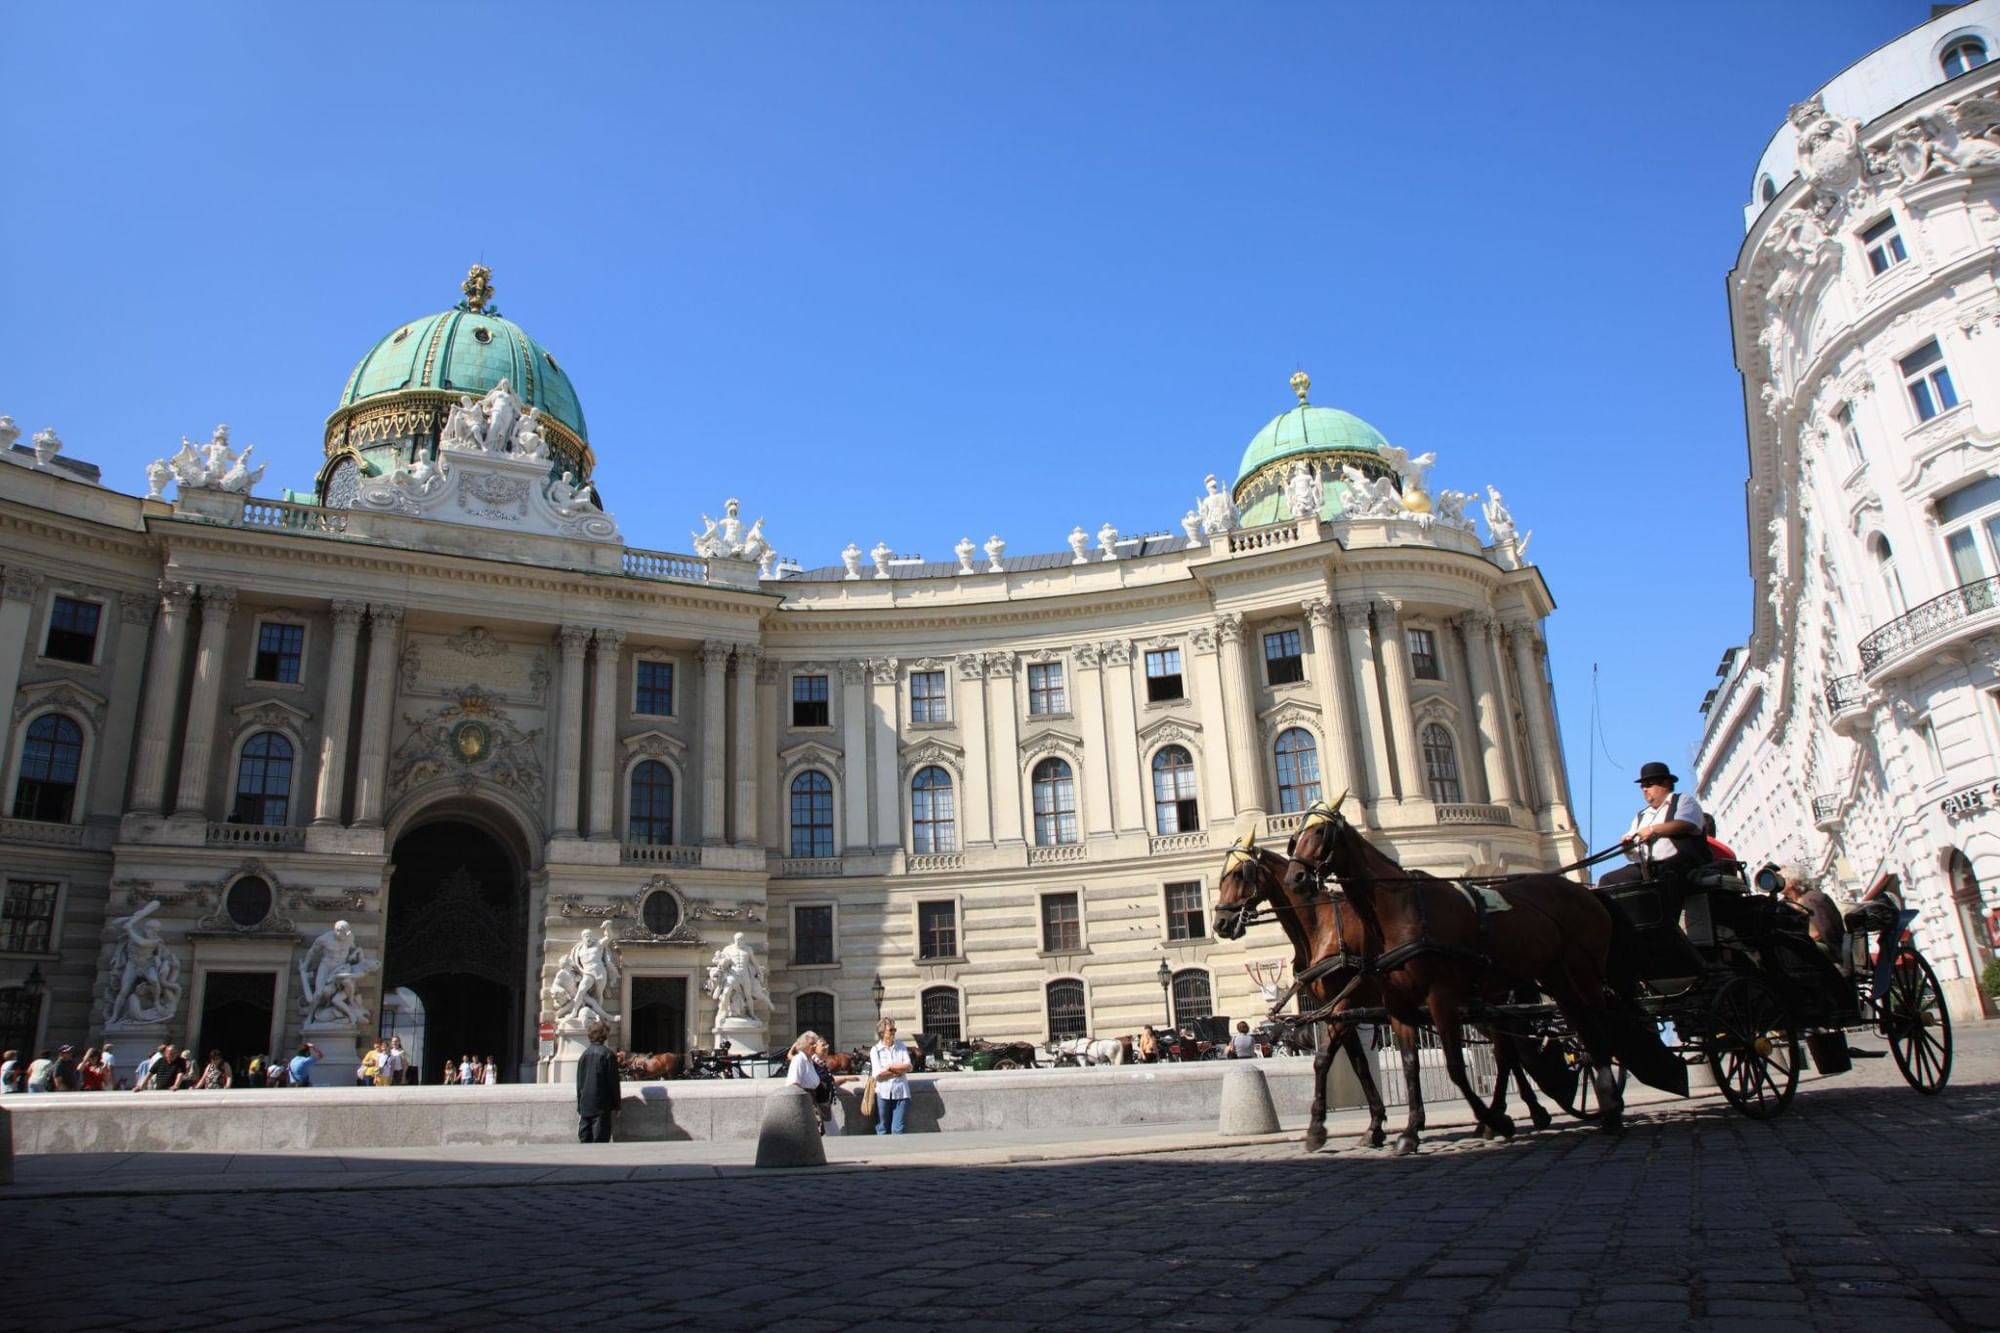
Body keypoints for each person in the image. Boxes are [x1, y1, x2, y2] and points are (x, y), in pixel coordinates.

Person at [1598, 762, 1709, 891]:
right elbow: (1635, 852)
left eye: (1649, 785)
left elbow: (1686, 824)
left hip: (1683, 864)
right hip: (1648, 867)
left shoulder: (1683, 800)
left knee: (1669, 874)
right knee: (1608, 880)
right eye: (1642, 786)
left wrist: (1653, 830)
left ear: (1665, 784)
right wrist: (1628, 847)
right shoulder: (1642, 815)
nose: (1644, 789)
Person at [1779, 863, 1845, 959]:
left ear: (1792, 881)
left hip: (1825, 951)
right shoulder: (1783, 905)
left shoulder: (1813, 898)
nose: (1777, 882)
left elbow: (1826, 931)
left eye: (1781, 878)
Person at [574, 1020, 621, 1143]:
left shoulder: (583, 1055)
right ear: (604, 1036)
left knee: (585, 1139)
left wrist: (580, 1104)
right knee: (600, 1140)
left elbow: (579, 1083)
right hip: (601, 1105)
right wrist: (617, 1105)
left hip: (585, 1104)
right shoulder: (608, 1055)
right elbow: (613, 1083)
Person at [869, 1018, 913, 1136]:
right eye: (891, 1030)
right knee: (882, 1129)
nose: (894, 1032)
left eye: (894, 1029)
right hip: (883, 1093)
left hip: (901, 1093)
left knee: (898, 1129)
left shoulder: (901, 1046)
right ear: (882, 1032)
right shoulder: (875, 1050)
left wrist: (889, 1068)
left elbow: (908, 1066)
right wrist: (898, 1071)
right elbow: (878, 1074)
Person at [784, 1029, 828, 1134]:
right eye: (811, 1044)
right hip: (804, 1101)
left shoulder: (809, 1060)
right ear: (803, 1045)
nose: (814, 1046)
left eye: (815, 1044)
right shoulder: (799, 1060)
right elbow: (794, 1084)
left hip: (811, 1099)